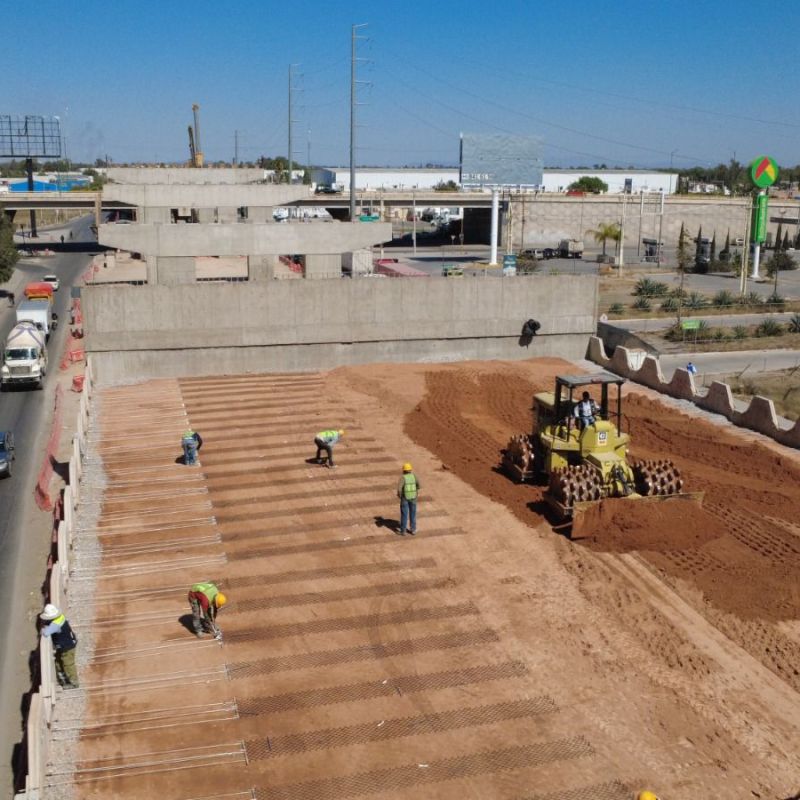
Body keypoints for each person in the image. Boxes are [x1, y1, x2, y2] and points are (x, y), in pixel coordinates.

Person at [39, 604, 79, 688]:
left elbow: (46, 633)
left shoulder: (55, 625)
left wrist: (43, 628)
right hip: (69, 643)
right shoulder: (61, 617)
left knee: (68, 664)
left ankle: (74, 683)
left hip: (67, 647)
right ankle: (63, 680)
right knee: (59, 662)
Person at [397, 462, 420, 535]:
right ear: (410, 470)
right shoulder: (414, 476)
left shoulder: (403, 478)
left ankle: (403, 531)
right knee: (413, 514)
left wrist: (400, 496)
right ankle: (413, 530)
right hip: (413, 497)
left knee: (404, 514)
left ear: (404, 470)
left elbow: (399, 489)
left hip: (405, 498)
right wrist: (415, 491)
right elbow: (419, 485)